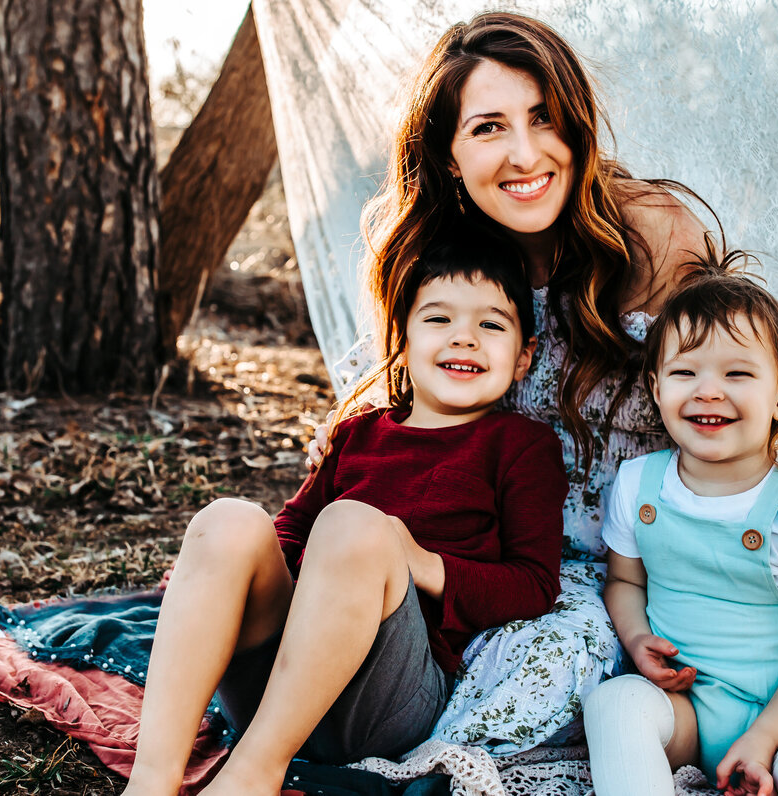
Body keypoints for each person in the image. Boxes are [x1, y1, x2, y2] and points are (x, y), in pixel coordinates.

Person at [310, 11, 778, 754]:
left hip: (638, 567)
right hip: (496, 553)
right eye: (487, 128)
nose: (523, 153)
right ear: (447, 154)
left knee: (556, 679)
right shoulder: (445, 254)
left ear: (576, 125)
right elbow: (413, 403)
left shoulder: (648, 234)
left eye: (544, 119)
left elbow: (737, 400)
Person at [122, 228, 569, 796]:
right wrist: (229, 584)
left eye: (491, 324)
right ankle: (152, 778)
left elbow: (532, 585)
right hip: (274, 679)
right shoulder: (359, 432)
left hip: (383, 701)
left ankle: (254, 775)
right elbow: (287, 531)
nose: (465, 339)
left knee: (353, 522)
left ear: (525, 356)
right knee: (229, 519)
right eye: (438, 319)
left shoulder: (521, 446)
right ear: (402, 340)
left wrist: (418, 560)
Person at [583, 259, 778, 795]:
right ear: (656, 386)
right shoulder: (639, 485)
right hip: (689, 709)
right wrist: (637, 639)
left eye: (737, 374)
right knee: (613, 703)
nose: (708, 391)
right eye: (685, 373)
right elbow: (624, 582)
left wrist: (765, 738)